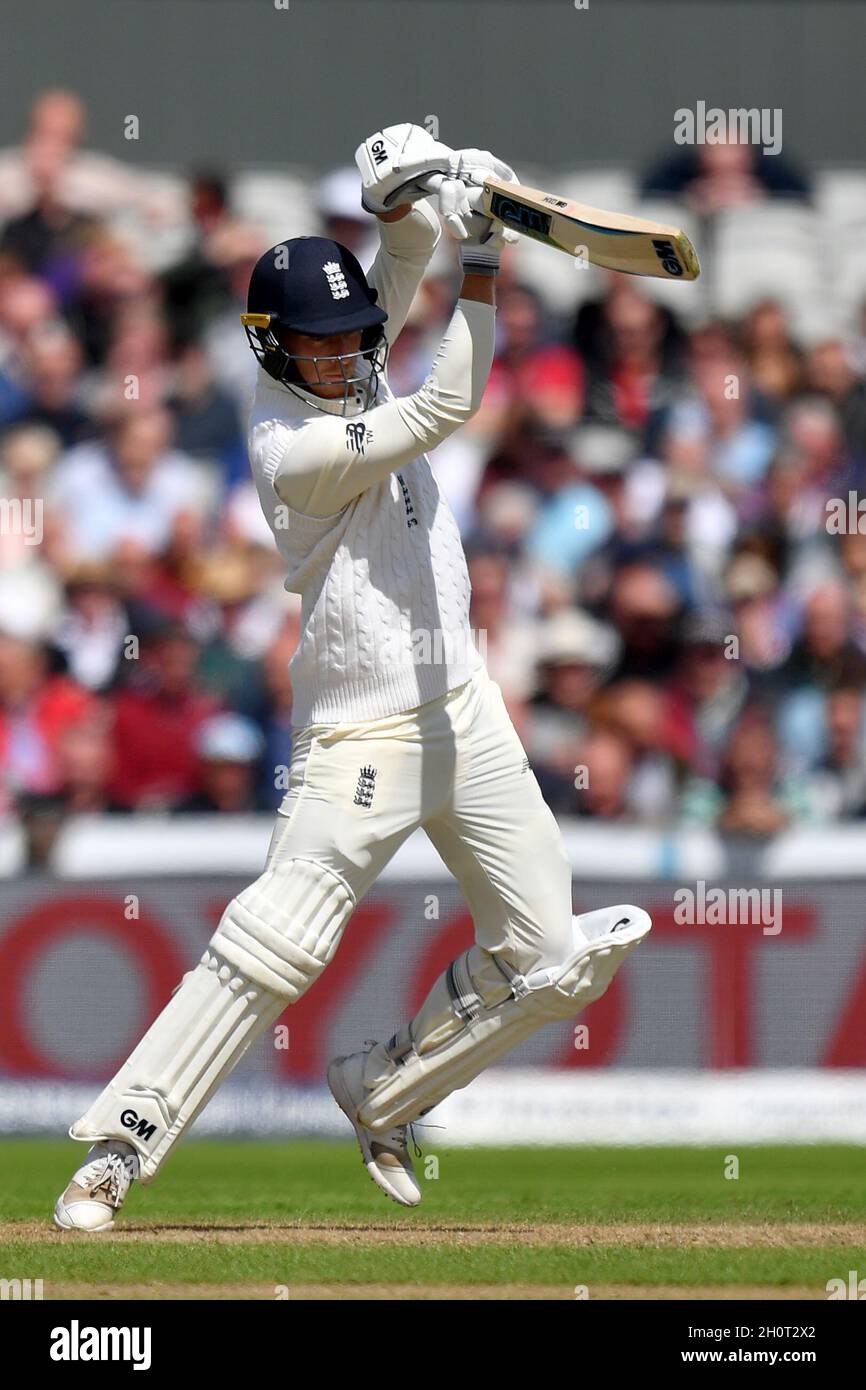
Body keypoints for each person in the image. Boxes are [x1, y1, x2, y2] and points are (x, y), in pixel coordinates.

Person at [53, 124, 651, 1231]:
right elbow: (442, 408)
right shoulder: (290, 448)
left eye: (350, 341)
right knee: (274, 941)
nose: (341, 359)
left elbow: (392, 278)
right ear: (271, 348)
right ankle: (119, 1150)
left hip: (462, 710)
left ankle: (382, 1089)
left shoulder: (351, 352)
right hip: (359, 733)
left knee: (555, 959)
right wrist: (479, 260)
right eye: (319, 348)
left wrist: (419, 196)